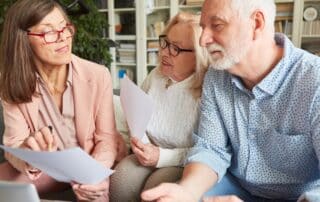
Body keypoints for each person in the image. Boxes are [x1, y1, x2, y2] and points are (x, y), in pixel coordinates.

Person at [141, 0, 320, 202]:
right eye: (202, 27)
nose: (203, 40)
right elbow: (210, 149)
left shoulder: (314, 81)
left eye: (217, 25)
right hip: (234, 186)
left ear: (256, 23)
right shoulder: (217, 77)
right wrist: (187, 191)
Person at [0, 0, 126, 201]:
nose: (63, 38)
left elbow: (106, 139)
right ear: (22, 39)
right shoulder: (11, 82)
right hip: (46, 168)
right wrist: (29, 156)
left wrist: (95, 173)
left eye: (65, 27)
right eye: (49, 32)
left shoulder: (97, 75)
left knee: (95, 193)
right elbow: (14, 144)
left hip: (88, 161)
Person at [109, 12, 209, 202]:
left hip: (182, 162)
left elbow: (208, 152)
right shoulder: (156, 75)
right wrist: (140, 143)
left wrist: (161, 157)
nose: (163, 52)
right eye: (165, 42)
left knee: (156, 188)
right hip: (146, 152)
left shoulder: (207, 91)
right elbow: (137, 112)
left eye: (176, 49)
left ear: (199, 54)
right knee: (120, 178)